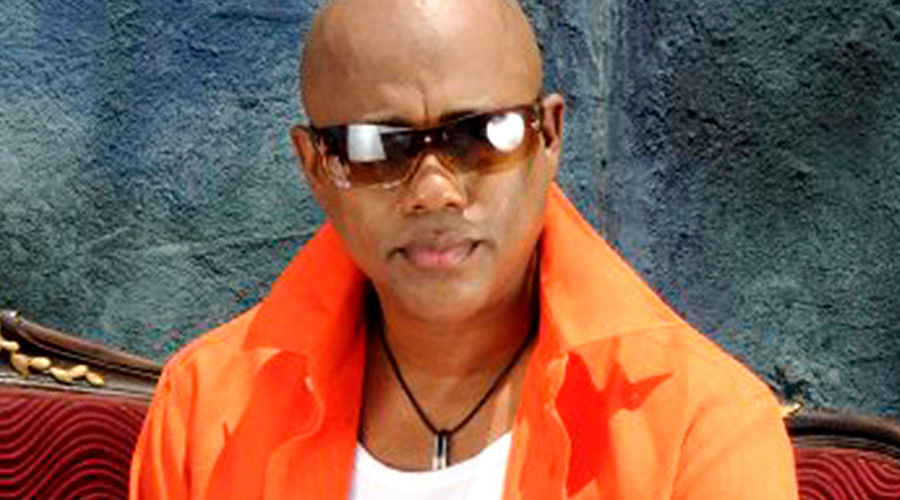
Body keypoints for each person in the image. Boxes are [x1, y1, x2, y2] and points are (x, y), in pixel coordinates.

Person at [130, 0, 798, 498]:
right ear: (315, 166)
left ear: (549, 137)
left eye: (481, 135)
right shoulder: (206, 411)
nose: (434, 191)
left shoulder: (698, 425)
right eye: (377, 147)